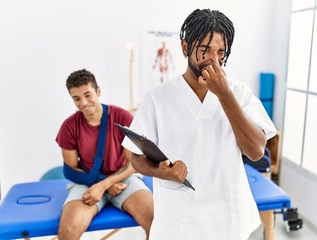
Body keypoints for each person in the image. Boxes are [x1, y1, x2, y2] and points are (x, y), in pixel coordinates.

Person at [122, 9, 277, 240]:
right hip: (178, 219)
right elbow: (136, 159)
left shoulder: (239, 92)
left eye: (221, 52)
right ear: (185, 47)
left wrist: (224, 94)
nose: (213, 59)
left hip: (228, 218)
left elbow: (255, 151)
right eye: (205, 50)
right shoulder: (158, 98)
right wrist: (161, 172)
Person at [56, 69, 153, 239]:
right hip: (87, 181)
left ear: (98, 91)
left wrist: (103, 186)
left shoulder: (122, 117)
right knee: (68, 231)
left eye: (88, 95)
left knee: (156, 221)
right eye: (76, 98)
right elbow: (70, 170)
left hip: (123, 179)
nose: (83, 103)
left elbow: (133, 164)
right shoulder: (69, 127)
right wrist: (102, 184)